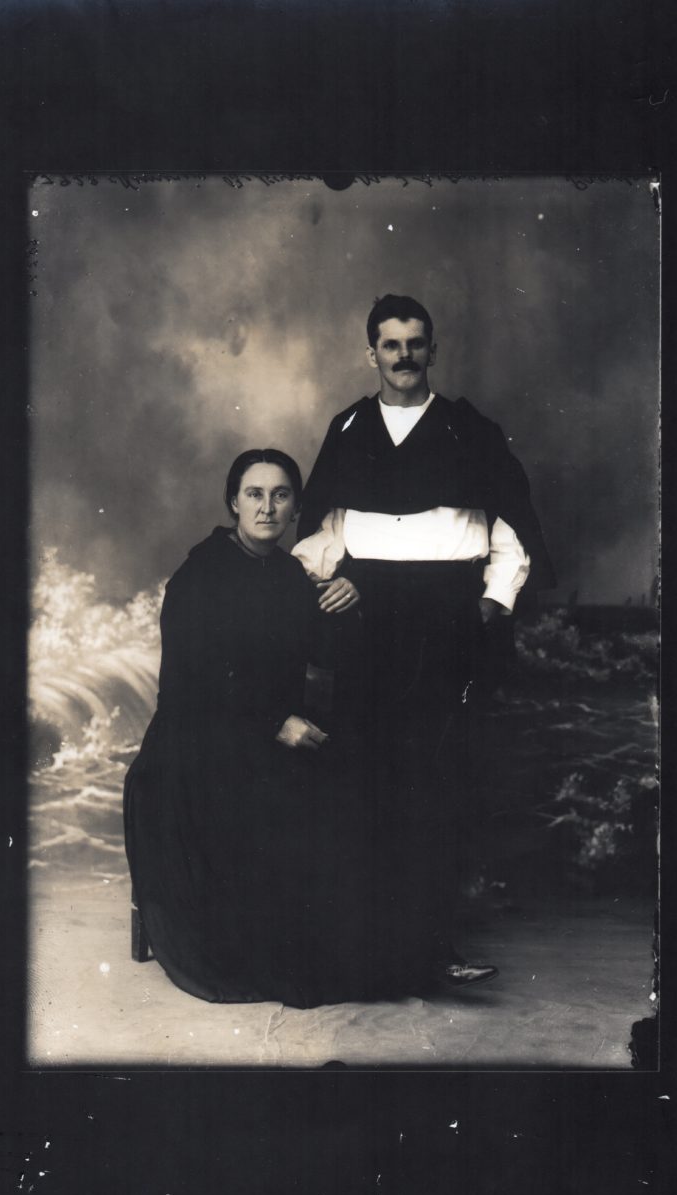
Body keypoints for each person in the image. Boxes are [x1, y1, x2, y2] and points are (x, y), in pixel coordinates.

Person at [292, 294, 555, 989]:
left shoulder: (470, 429)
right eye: (391, 344)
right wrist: (330, 584)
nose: (403, 355)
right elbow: (321, 531)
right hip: (367, 624)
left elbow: (511, 529)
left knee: (438, 784)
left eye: (415, 343)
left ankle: (434, 950)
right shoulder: (349, 427)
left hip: (447, 624)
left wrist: (492, 604)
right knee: (365, 779)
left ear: (432, 350)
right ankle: (367, 953)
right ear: (371, 353)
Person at [123, 449, 405, 1007]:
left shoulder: (288, 575)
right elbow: (187, 686)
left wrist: (352, 597)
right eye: (254, 494)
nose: (267, 507)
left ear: (296, 507)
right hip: (194, 746)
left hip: (265, 741)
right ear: (234, 502)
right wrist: (273, 723)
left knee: (358, 791)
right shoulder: (199, 576)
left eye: (281, 495)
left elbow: (325, 651)